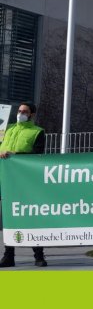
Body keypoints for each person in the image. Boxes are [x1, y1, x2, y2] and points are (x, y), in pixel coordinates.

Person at [0, 102, 46, 268]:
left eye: (24, 111)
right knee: (8, 218)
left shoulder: (37, 132)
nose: (20, 113)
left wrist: (15, 155)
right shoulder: (8, 129)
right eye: (19, 111)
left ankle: (39, 255)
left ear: (31, 115)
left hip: (25, 181)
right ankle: (9, 255)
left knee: (31, 218)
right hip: (6, 179)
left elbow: (38, 154)